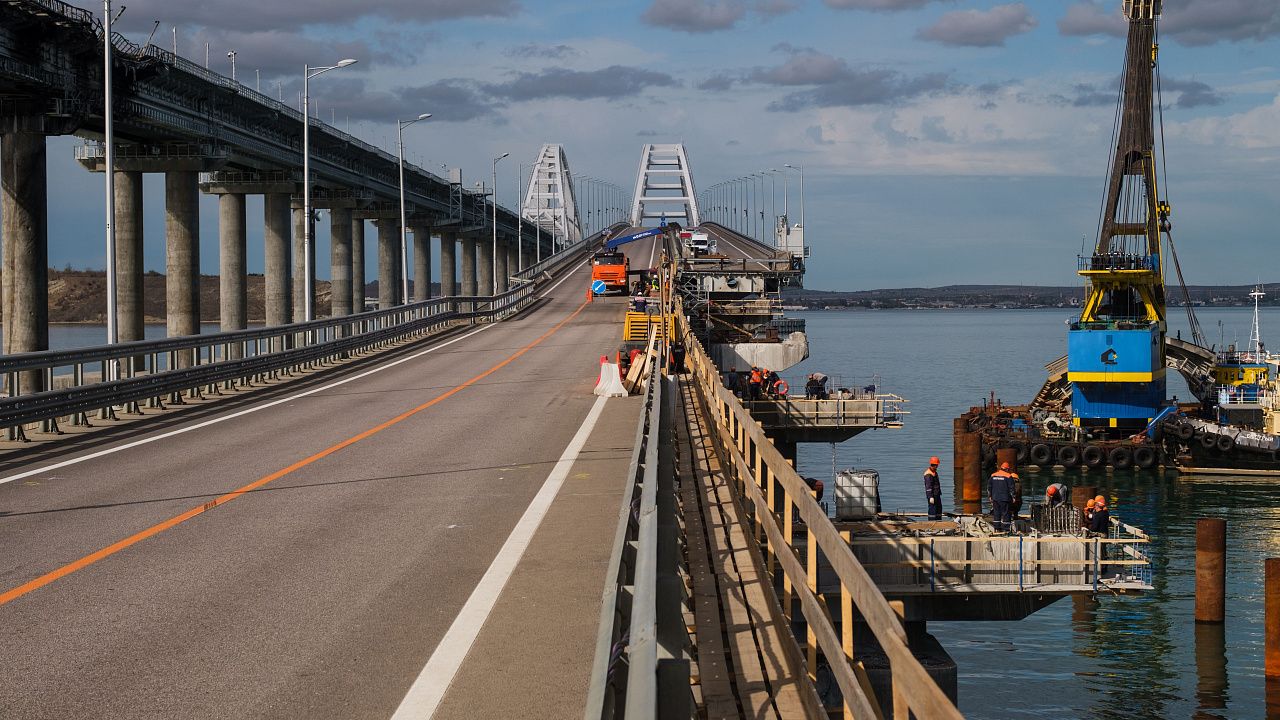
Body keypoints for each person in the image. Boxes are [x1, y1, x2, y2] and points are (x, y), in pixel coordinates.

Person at [989, 462, 1015, 532]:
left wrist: (990, 496)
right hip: (1004, 498)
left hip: (995, 498)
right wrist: (1013, 497)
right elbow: (1012, 488)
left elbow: (989, 487)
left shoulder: (993, 475)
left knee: (996, 513)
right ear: (1007, 469)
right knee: (1006, 513)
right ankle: (1006, 529)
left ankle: (997, 528)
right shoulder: (1008, 476)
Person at [924, 456, 943, 520]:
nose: (937, 466)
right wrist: (930, 497)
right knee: (932, 510)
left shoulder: (934, 472)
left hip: (937, 494)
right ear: (934, 465)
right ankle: (932, 525)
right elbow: (928, 486)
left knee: (939, 509)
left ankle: (939, 523)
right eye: (937, 465)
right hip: (932, 496)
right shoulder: (928, 474)